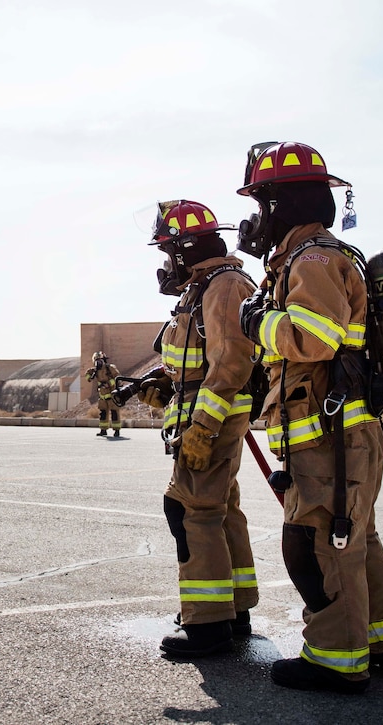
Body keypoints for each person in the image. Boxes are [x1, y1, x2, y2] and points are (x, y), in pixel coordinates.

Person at [236, 141, 383, 693]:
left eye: (261, 205)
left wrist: (257, 324)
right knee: (356, 541)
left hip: (329, 441)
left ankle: (336, 661)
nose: (254, 220)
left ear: (279, 205)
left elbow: (311, 338)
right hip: (343, 435)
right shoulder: (312, 256)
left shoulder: (311, 260)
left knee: (320, 547)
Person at [136, 199, 261, 658]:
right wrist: (165, 387)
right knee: (220, 509)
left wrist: (203, 427)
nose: (167, 263)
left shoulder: (225, 285)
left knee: (192, 511)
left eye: (170, 251)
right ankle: (234, 610)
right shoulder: (204, 286)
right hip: (204, 411)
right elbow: (197, 360)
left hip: (216, 415)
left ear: (187, 248)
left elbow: (230, 363)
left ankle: (207, 626)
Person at [86, 351, 122, 437]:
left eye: (100, 361)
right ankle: (103, 430)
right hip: (102, 396)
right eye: (96, 361)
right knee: (103, 414)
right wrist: (90, 376)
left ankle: (116, 431)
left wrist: (109, 383)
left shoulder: (111, 368)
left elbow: (118, 379)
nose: (98, 363)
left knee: (114, 413)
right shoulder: (95, 371)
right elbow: (87, 376)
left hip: (112, 394)